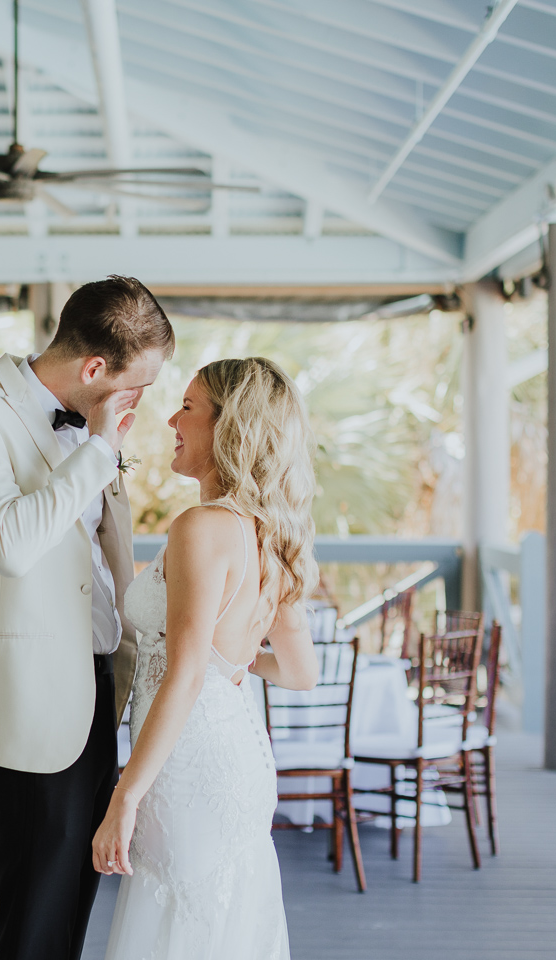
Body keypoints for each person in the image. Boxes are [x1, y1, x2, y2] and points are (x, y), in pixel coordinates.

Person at [0, 275, 174, 960]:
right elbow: (10, 545)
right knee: (34, 921)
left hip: (102, 684)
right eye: (140, 384)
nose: (139, 401)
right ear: (95, 369)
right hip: (34, 701)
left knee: (71, 908)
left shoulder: (92, 420)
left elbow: (101, 556)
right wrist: (97, 453)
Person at [94, 357, 321, 960]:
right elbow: (301, 673)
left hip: (188, 766)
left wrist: (126, 795)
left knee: (177, 924)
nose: (171, 417)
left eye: (188, 407)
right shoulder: (273, 532)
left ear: (229, 427)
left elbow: (185, 672)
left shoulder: (200, 527)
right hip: (237, 758)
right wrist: (238, 664)